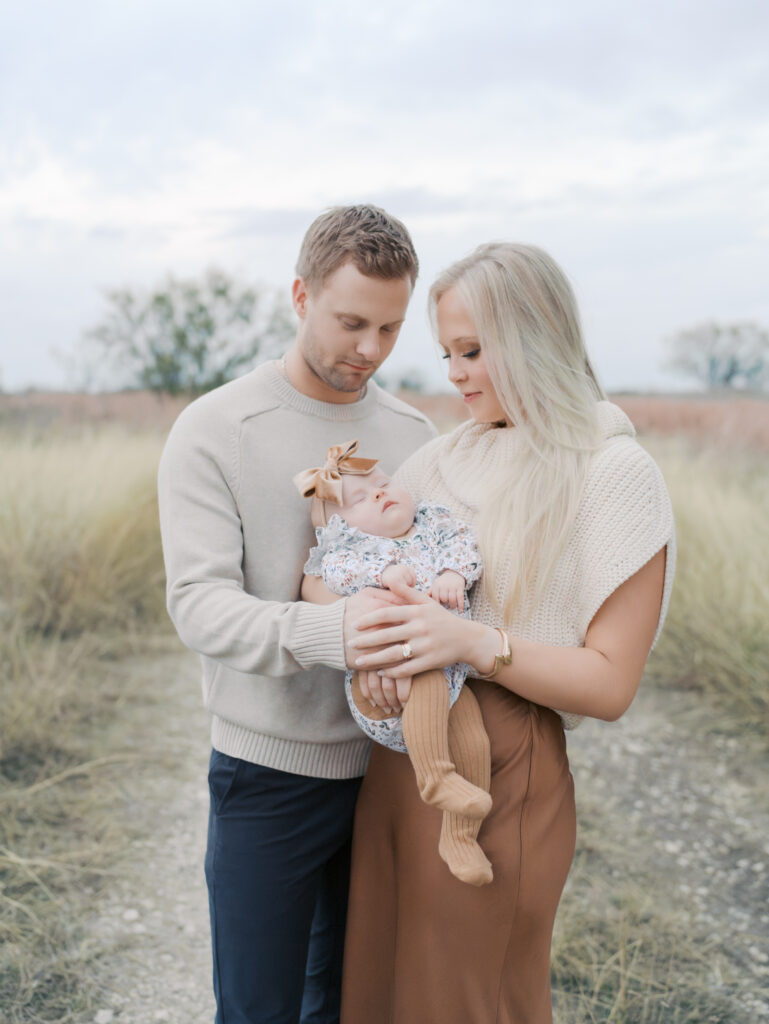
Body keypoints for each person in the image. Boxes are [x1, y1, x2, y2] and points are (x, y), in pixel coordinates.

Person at [339, 242, 677, 1023]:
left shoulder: (612, 471)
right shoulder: (432, 462)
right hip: (399, 759)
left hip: (503, 771)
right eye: (447, 351)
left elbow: (611, 685)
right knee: (382, 984)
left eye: (473, 350)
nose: (453, 373)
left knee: (468, 997)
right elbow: (353, 575)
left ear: (534, 340)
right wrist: (375, 660)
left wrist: (471, 644)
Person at [157, 204, 436, 1024]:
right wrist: (338, 634)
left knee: (355, 1005)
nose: (371, 350)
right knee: (257, 1010)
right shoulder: (214, 428)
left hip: (391, 774)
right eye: (352, 322)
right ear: (298, 295)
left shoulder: (416, 433)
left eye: (390, 328)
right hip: (267, 776)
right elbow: (199, 607)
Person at [294, 440, 494, 885]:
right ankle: (435, 778)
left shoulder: (434, 523)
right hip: (385, 675)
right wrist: (381, 573)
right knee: (423, 679)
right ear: (342, 526)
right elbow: (334, 573)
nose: (380, 493)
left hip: (449, 669)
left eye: (382, 483)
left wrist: (453, 575)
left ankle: (460, 837)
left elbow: (465, 545)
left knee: (475, 742)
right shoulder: (354, 550)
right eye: (361, 498)